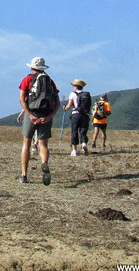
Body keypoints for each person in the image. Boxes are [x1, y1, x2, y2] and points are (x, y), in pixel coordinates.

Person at [16, 57, 60, 186]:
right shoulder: (50, 81)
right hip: (45, 115)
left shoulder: (27, 79)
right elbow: (57, 102)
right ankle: (44, 164)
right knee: (43, 145)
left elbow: (21, 99)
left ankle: (24, 175)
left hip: (32, 114)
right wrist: (49, 116)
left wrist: (29, 115)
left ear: (31, 67)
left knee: (27, 143)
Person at [63, 79, 91, 156]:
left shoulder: (72, 94)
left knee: (74, 131)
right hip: (85, 115)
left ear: (75, 86)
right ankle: (84, 143)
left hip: (75, 114)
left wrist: (65, 108)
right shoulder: (86, 94)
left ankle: (74, 151)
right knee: (83, 131)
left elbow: (69, 106)